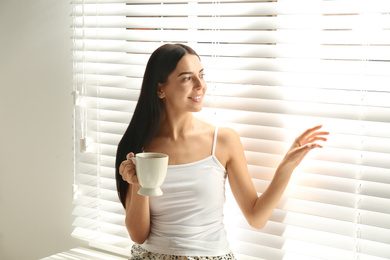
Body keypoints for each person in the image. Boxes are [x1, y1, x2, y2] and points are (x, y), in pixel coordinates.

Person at [115, 43, 328, 260]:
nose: (200, 85)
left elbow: (256, 217)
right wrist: (138, 183)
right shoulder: (141, 149)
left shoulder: (223, 141)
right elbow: (138, 235)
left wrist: (287, 166)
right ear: (160, 89)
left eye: (202, 75)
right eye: (187, 78)